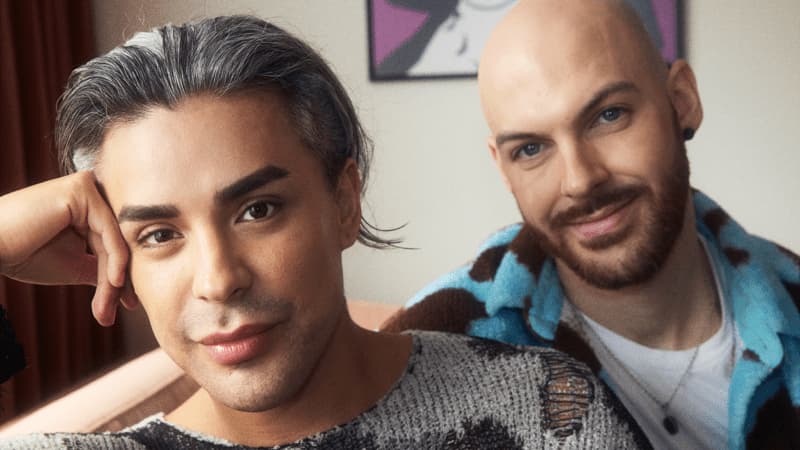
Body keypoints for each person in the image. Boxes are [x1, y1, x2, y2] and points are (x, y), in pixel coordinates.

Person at [0, 15, 649, 449]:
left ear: (344, 201)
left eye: (257, 210)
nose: (219, 279)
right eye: (159, 235)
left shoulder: (547, 413)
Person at [382, 1, 800, 449]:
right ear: (502, 167)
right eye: (530, 149)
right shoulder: (431, 349)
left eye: (608, 115)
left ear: (682, 102)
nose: (580, 181)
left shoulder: (791, 298)